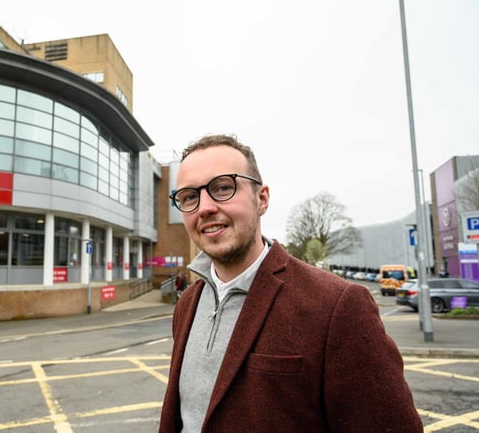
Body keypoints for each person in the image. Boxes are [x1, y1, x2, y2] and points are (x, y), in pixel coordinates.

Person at [159, 135, 422, 432]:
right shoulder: (187, 304)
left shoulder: (338, 305)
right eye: (190, 196)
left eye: (222, 187)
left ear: (262, 199)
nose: (204, 207)